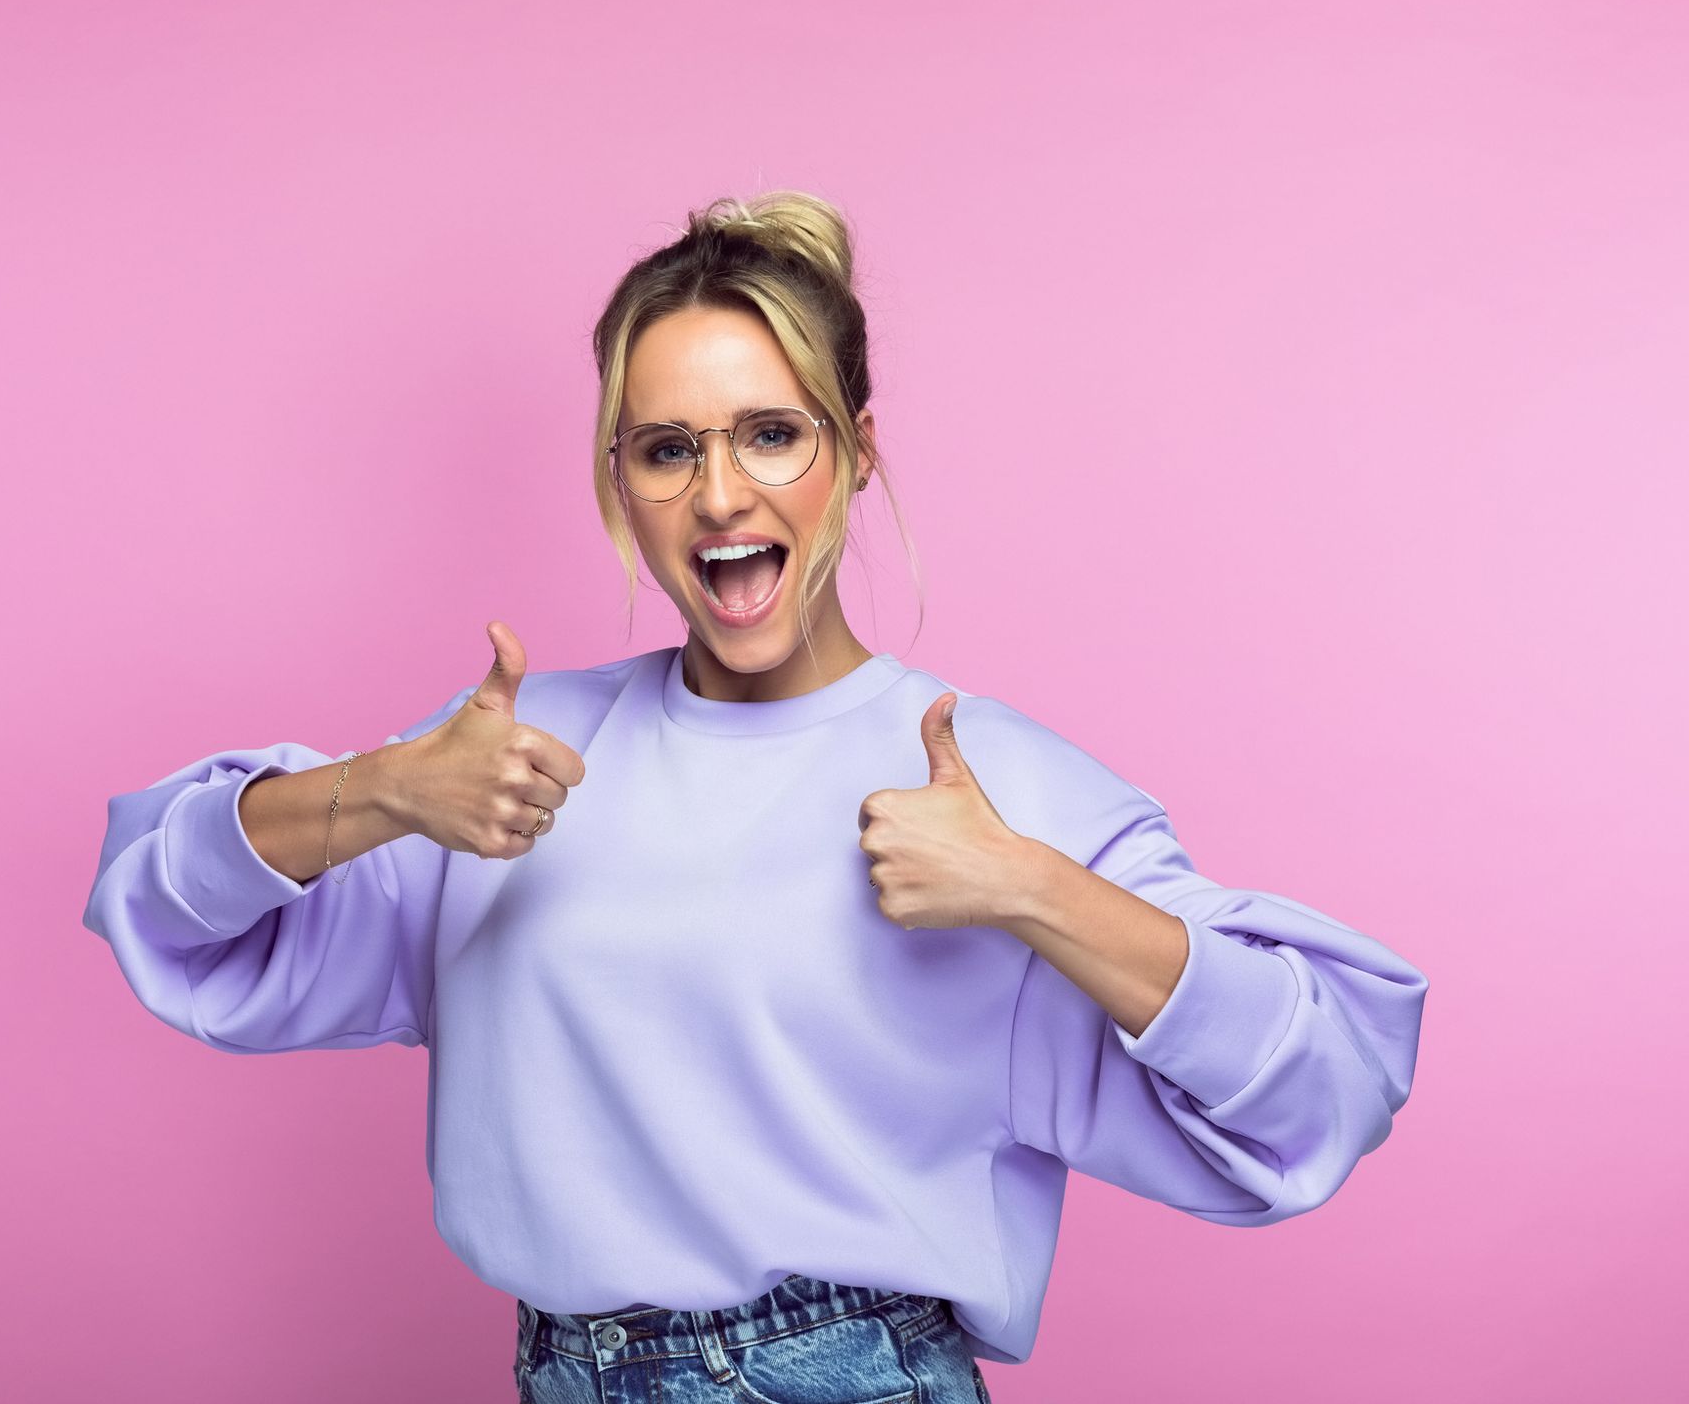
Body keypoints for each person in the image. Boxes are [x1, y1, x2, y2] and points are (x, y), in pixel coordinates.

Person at [83, 190, 1428, 1402]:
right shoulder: (503, 765)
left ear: (856, 452)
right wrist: (380, 793)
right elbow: (163, 909)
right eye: (667, 449)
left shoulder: (982, 780)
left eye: (773, 436)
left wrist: (1030, 887)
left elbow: (1324, 1082)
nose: (721, 495)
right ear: (620, 478)